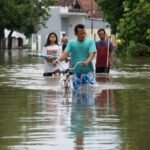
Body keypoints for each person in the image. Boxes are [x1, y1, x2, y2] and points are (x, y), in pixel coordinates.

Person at [53, 24, 97, 89]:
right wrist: (57, 60)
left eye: (84, 33)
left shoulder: (90, 42)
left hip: (88, 71)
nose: (83, 35)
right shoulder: (71, 43)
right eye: (81, 33)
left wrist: (87, 62)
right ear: (76, 34)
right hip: (76, 72)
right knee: (76, 92)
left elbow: (92, 54)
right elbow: (65, 54)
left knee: (89, 92)